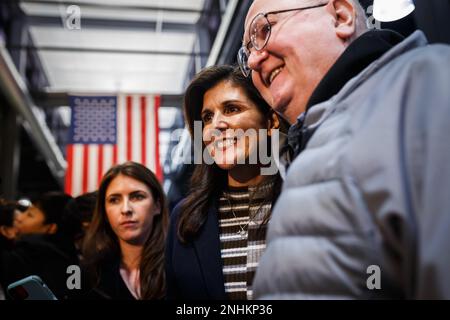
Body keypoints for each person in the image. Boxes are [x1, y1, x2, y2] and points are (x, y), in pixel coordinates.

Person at [238, 0, 450, 299]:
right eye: (247, 50)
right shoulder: (303, 153)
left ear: (341, 16)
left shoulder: (427, 85)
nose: (253, 61)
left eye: (264, 30)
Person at [165, 65, 285, 300]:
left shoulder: (306, 200)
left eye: (231, 109)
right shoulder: (184, 218)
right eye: (207, 117)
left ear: (271, 122)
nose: (215, 126)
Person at [82, 161, 168, 300]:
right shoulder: (90, 275)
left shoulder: (182, 266)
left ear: (157, 206)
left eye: (137, 197)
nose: (125, 209)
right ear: (104, 211)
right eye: (114, 200)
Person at [0, 192, 77, 299]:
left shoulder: (28, 254)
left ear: (51, 228)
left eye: (30, 215)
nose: (20, 217)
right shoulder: (74, 261)